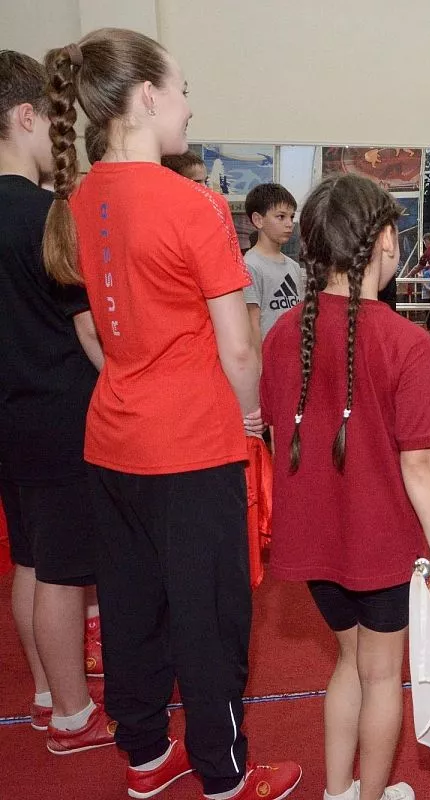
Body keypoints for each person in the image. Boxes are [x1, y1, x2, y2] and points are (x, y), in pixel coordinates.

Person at [43, 28, 301, 799]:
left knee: (130, 607)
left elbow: (95, 323)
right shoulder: (193, 202)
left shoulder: (79, 198)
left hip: (113, 438)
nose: (190, 106)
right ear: (148, 97)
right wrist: (251, 421)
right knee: (211, 614)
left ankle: (148, 756)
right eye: (183, 89)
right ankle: (225, 776)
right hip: (191, 443)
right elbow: (239, 347)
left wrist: (136, 380)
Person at [260, 173, 430, 800]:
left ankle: (338, 789)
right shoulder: (407, 342)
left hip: (314, 542)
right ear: (386, 242)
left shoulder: (283, 335)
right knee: (380, 674)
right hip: (378, 545)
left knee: (348, 662)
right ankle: (368, 796)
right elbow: (418, 463)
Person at [0, 48, 110, 754]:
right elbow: (89, 328)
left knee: (31, 561)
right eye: (54, 123)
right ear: (26, 115)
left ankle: (47, 692)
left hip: (9, 414)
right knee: (64, 569)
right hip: (57, 406)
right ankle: (73, 714)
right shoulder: (48, 215)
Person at [244, 183, 302, 356]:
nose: (289, 224)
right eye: (281, 217)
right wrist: (259, 367)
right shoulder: (249, 265)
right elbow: (252, 323)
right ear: (258, 220)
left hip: (293, 357)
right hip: (268, 358)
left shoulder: (293, 266)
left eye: (291, 217)